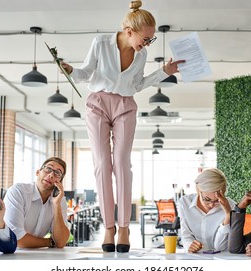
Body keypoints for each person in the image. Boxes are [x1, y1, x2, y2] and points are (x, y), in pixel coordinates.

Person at [60, 0, 184, 253]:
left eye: (150, 40)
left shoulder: (143, 54)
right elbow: (85, 73)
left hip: (125, 105)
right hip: (97, 103)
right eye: (145, 39)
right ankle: (109, 227)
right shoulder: (101, 42)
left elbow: (137, 85)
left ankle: (124, 227)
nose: (147, 44)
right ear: (129, 31)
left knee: (122, 164)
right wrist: (71, 70)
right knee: (102, 164)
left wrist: (164, 71)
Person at [3, 157, 70, 249]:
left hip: (35, 255)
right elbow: (16, 238)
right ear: (38, 172)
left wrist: (56, 205)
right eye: (48, 169)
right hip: (6, 254)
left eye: (57, 173)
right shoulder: (18, 192)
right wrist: (50, 242)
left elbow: (61, 242)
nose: (51, 175)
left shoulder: (59, 200)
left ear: (60, 182)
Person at [178, 168, 236, 253]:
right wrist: (190, 245)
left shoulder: (231, 206)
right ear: (198, 190)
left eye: (217, 200)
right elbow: (186, 234)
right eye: (207, 199)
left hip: (221, 258)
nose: (211, 205)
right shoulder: (185, 203)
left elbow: (220, 247)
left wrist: (228, 215)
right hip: (195, 256)